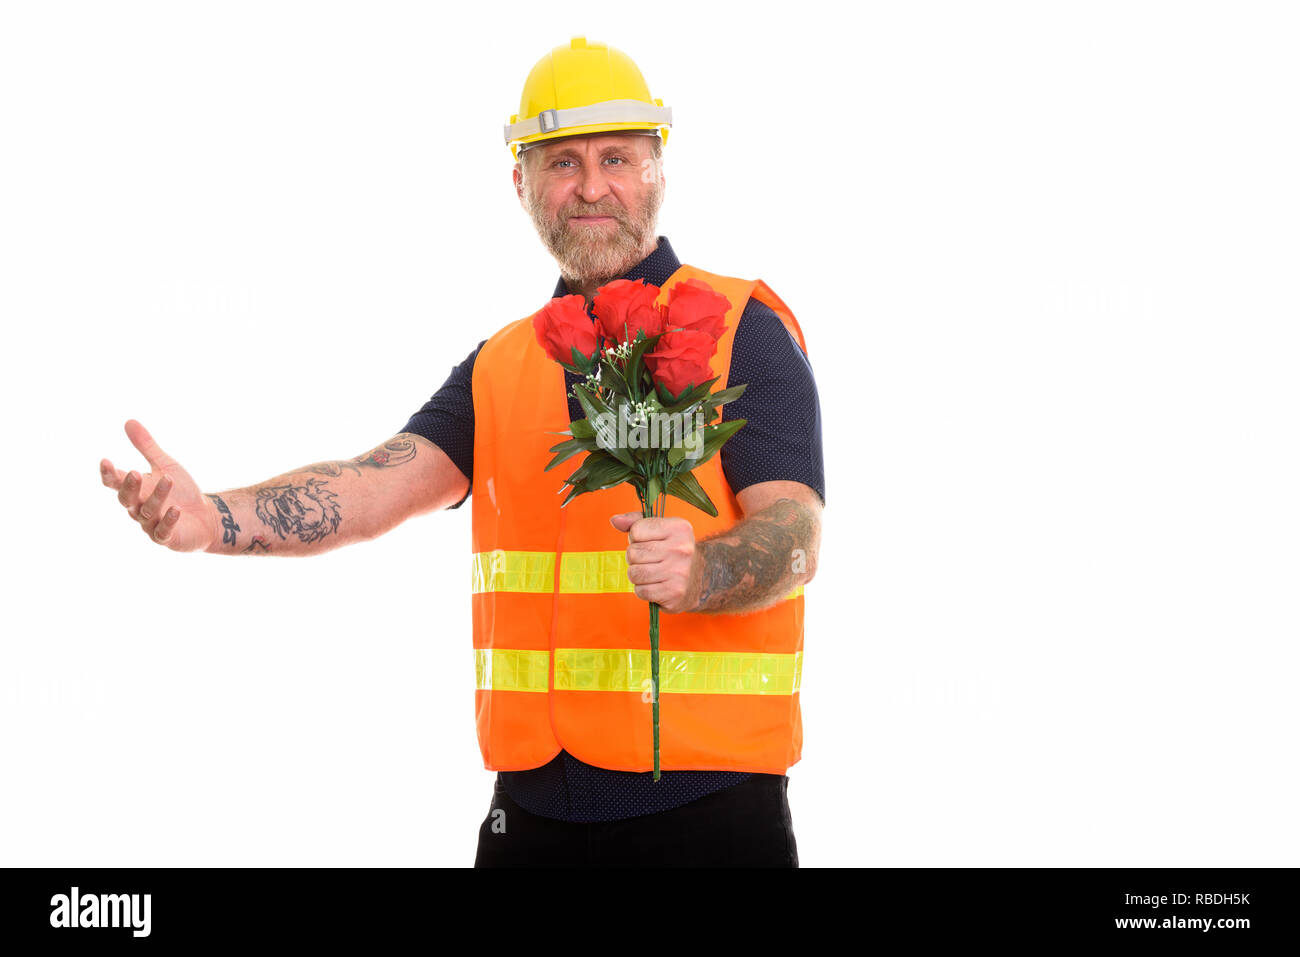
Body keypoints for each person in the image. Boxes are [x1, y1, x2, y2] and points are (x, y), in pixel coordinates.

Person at [100, 36, 824, 868]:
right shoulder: (502, 365)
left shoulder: (742, 332)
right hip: (529, 814)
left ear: (659, 168)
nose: (591, 187)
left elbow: (797, 533)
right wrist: (213, 518)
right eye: (560, 163)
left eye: (616, 157)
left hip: (709, 815)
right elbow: (374, 486)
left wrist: (704, 571)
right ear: (520, 183)